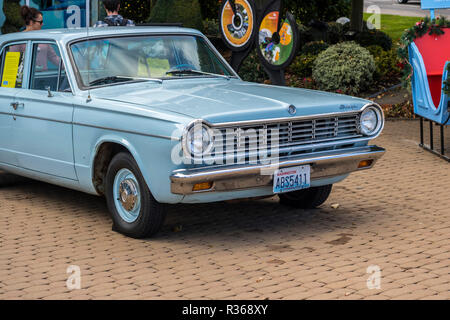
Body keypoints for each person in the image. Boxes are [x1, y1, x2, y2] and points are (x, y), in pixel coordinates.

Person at [17, 5, 60, 71]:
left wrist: (72, 66)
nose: (42, 24)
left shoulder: (43, 39)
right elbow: (12, 64)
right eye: (40, 22)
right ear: (31, 22)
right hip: (26, 79)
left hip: (43, 77)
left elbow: (54, 58)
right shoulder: (18, 40)